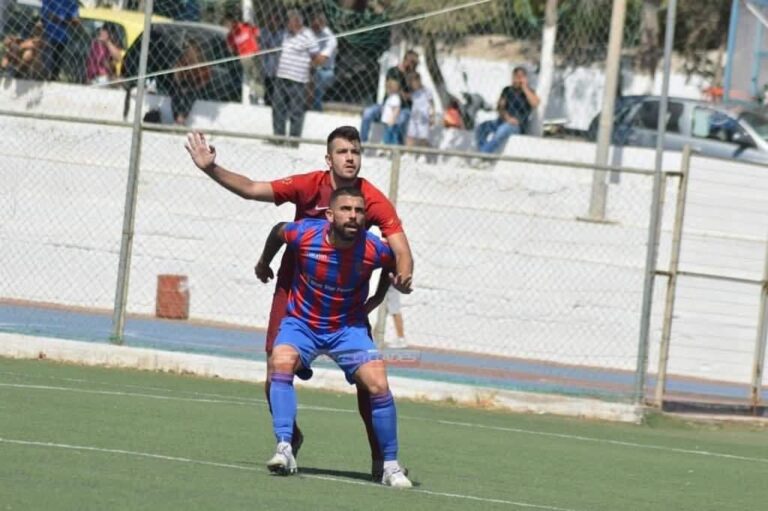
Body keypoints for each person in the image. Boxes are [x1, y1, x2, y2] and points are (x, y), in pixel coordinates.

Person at [183, 125, 414, 481]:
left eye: (355, 151)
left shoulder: (371, 199)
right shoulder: (308, 185)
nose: (350, 158)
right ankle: (288, 441)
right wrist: (211, 168)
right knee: (276, 369)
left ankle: (382, 458)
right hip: (295, 293)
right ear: (329, 158)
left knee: (372, 383)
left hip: (345, 307)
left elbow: (398, 250)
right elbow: (252, 190)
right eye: (342, 151)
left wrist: (399, 279)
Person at [255, 187, 412, 488]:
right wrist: (265, 263)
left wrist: (379, 297)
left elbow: (394, 261)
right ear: (329, 214)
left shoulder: (373, 248)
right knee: (280, 362)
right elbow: (277, 231)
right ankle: (285, 447)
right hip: (302, 324)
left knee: (378, 383)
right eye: (346, 209)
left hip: (347, 330)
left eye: (359, 211)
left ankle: (390, 466)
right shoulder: (305, 234)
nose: (353, 216)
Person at [272, 9, 325, 142]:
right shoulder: (285, 34)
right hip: (281, 77)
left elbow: (316, 57)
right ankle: (279, 138)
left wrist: (308, 71)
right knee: (278, 108)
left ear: (296, 21)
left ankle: (294, 140)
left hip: (298, 80)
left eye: (288, 21)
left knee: (296, 111)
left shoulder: (308, 35)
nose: (286, 23)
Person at [475, 66, 540, 156]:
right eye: (515, 76)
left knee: (501, 131)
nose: (517, 80)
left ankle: (483, 155)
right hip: (503, 120)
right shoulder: (507, 90)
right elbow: (500, 107)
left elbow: (535, 103)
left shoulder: (529, 92)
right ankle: (483, 151)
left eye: (520, 77)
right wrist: (507, 117)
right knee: (482, 127)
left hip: (517, 125)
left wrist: (525, 87)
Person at [360, 50, 419, 144]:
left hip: (404, 108)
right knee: (368, 113)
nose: (415, 66)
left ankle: (397, 147)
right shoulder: (393, 71)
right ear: (407, 61)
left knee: (401, 120)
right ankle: (363, 142)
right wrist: (403, 92)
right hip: (387, 105)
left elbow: (414, 95)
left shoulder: (414, 76)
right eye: (413, 63)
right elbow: (391, 89)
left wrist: (401, 90)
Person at [224, 8, 262, 103]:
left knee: (256, 77)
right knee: (249, 76)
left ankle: (258, 96)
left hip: (254, 54)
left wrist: (256, 43)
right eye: (225, 23)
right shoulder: (230, 36)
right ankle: (253, 95)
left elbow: (257, 34)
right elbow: (231, 50)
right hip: (244, 59)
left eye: (227, 22)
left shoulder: (245, 27)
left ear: (232, 21)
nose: (226, 25)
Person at [171, 39, 211, 125]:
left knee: (189, 95)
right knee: (175, 94)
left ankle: (182, 117)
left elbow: (206, 79)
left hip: (198, 86)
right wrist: (180, 84)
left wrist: (193, 87)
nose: (187, 51)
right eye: (186, 49)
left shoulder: (202, 61)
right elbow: (177, 74)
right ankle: (177, 117)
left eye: (189, 48)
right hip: (184, 84)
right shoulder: (183, 60)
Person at [40, 0, 79, 81]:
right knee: (45, 64)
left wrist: (61, 20)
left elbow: (76, 21)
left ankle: (54, 77)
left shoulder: (71, 2)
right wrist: (66, 21)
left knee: (56, 65)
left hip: (62, 39)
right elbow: (47, 16)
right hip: (47, 36)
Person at [308, 12, 337, 111]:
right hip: (310, 68)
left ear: (322, 23)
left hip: (325, 70)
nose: (313, 27)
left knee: (317, 88)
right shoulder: (310, 33)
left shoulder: (330, 38)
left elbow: (321, 59)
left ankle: (317, 110)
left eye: (316, 25)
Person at [405, 71, 435, 150]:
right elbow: (409, 97)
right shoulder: (414, 92)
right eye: (411, 83)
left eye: (413, 82)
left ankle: (424, 152)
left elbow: (431, 104)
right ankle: (408, 152)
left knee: (423, 137)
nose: (412, 85)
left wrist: (432, 116)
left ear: (419, 80)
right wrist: (401, 92)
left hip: (424, 117)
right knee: (410, 135)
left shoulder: (427, 91)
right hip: (414, 115)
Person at [259, 12, 283, 106]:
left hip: (278, 71)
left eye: (275, 20)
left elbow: (275, 50)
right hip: (264, 70)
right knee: (266, 95)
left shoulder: (283, 34)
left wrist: (270, 48)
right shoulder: (262, 33)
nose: (272, 22)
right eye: (270, 19)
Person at [381, 77, 401, 145]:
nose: (386, 90)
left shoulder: (395, 98)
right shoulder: (390, 97)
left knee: (390, 135)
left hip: (391, 122)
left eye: (387, 88)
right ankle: (389, 147)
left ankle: (388, 147)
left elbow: (396, 109)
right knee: (389, 134)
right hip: (387, 121)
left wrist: (393, 119)